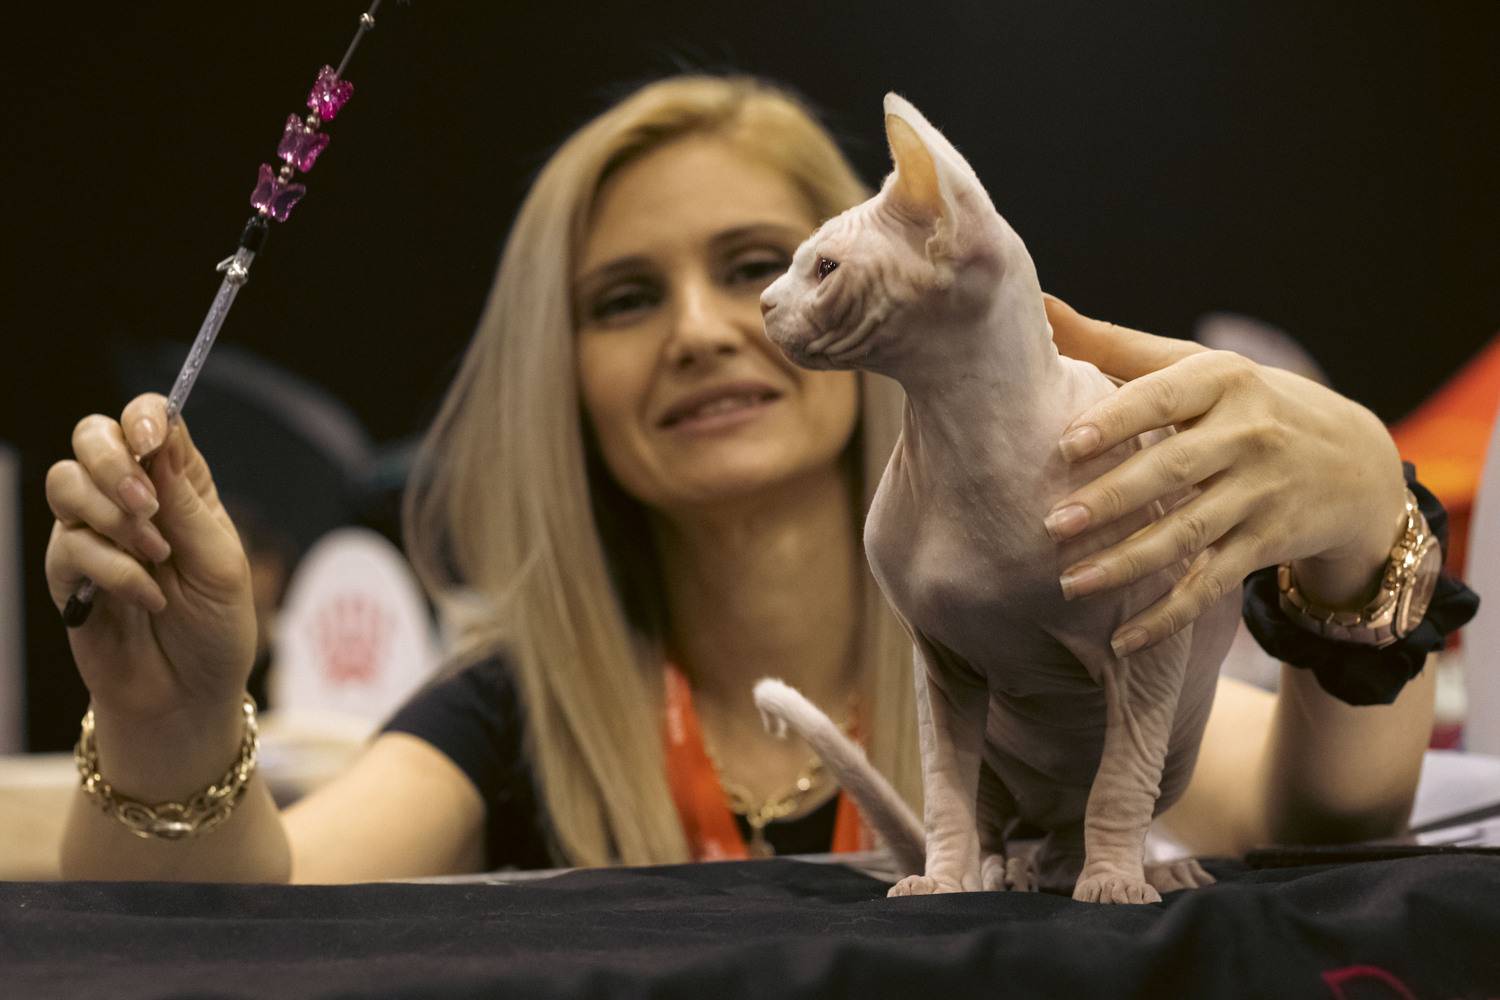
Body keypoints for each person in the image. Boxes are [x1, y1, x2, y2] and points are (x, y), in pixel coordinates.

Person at [45, 75, 1447, 883]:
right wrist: (168, 719)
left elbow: (1330, 819)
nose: (709, 329)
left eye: (756, 265)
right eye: (624, 298)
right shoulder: (516, 710)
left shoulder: (1035, 615)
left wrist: (1365, 526)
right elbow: (247, 911)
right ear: (560, 377)